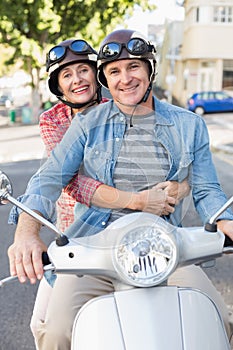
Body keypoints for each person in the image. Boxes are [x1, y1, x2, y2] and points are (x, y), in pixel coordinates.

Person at [8, 29, 233, 349]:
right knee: (56, 333)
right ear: (106, 79)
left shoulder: (189, 124)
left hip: (164, 243)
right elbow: (48, 179)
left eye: (134, 67)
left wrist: (225, 220)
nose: (125, 78)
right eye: (115, 71)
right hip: (92, 248)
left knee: (217, 320)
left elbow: (208, 189)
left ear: (150, 70)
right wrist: (26, 233)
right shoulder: (86, 124)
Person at [29, 37, 190, 347]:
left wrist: (177, 189)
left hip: (139, 232)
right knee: (47, 328)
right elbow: (69, 179)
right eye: (66, 74)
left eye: (83, 70)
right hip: (75, 236)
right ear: (57, 86)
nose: (77, 80)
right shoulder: (53, 120)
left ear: (97, 74)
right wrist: (138, 200)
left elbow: (170, 163)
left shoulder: (123, 104)